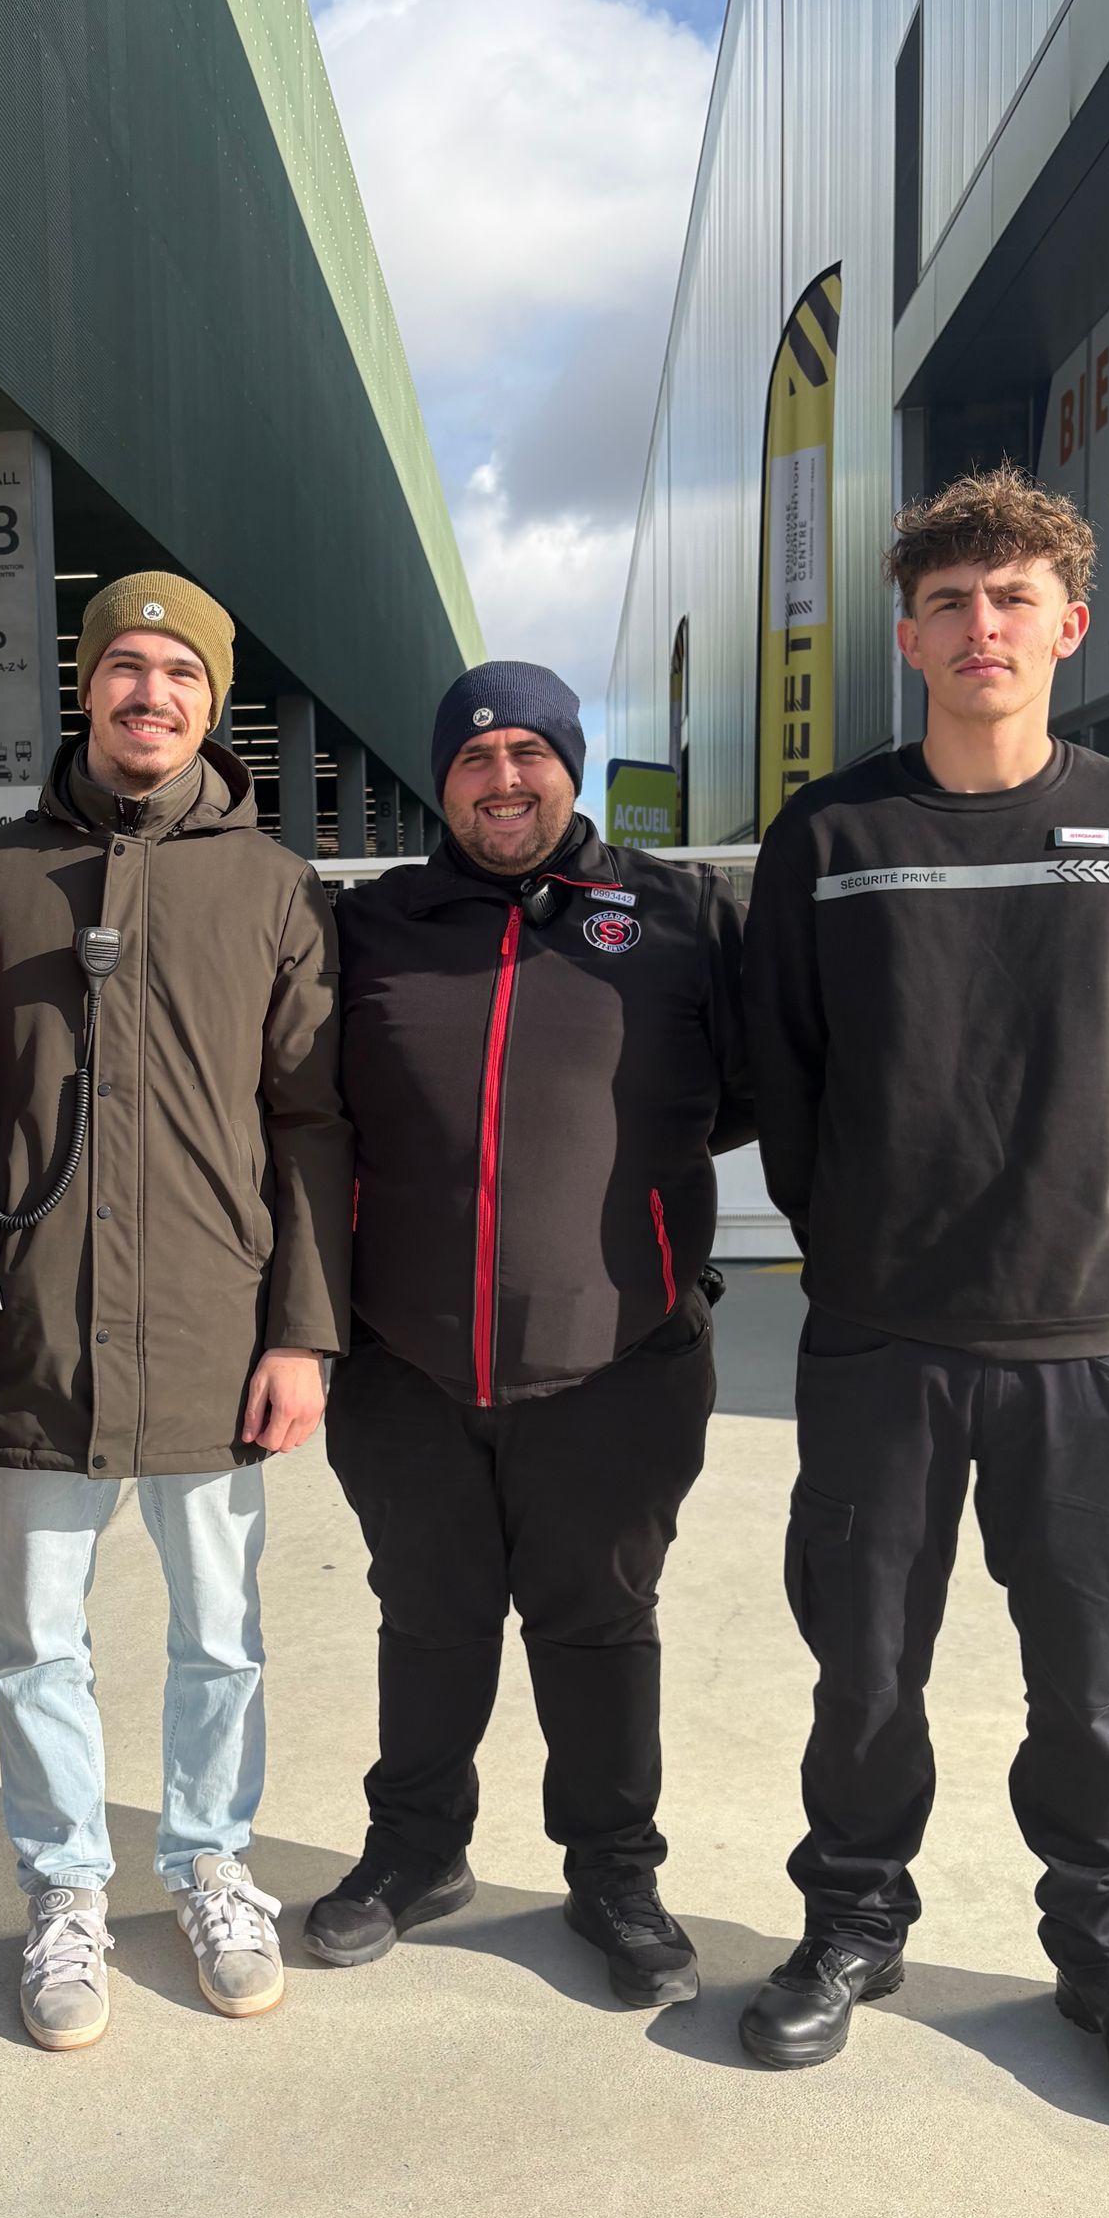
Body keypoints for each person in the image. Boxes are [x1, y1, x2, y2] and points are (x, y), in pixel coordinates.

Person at [739, 466, 1109, 2129]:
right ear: (910, 637)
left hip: (1077, 1344)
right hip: (880, 1336)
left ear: (1069, 626)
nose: (981, 627)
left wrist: (1083, 1231)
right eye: (949, 603)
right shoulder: (832, 837)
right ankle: (851, 1927)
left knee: (1090, 1686)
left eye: (1013, 599)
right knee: (865, 1671)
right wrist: (859, 1237)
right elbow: (788, 1071)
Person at [0, 571, 350, 2048]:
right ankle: (64, 1887)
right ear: (87, 685)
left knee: (220, 1636)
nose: (149, 694)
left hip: (212, 1334)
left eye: (180, 673)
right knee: (37, 1640)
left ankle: (213, 1863)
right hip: (32, 1330)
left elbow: (310, 1123)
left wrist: (301, 1332)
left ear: (211, 704)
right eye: (125, 667)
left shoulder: (274, 887)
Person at [303, 662, 752, 2007]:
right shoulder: (373, 925)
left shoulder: (675, 915)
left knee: (599, 1620)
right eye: (474, 759)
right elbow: (312, 1110)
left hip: (620, 1355)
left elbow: (744, 1094)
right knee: (426, 1612)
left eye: (529, 754)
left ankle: (613, 1873)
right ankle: (415, 1849)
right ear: (442, 782)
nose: (504, 781)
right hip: (405, 1358)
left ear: (573, 765)